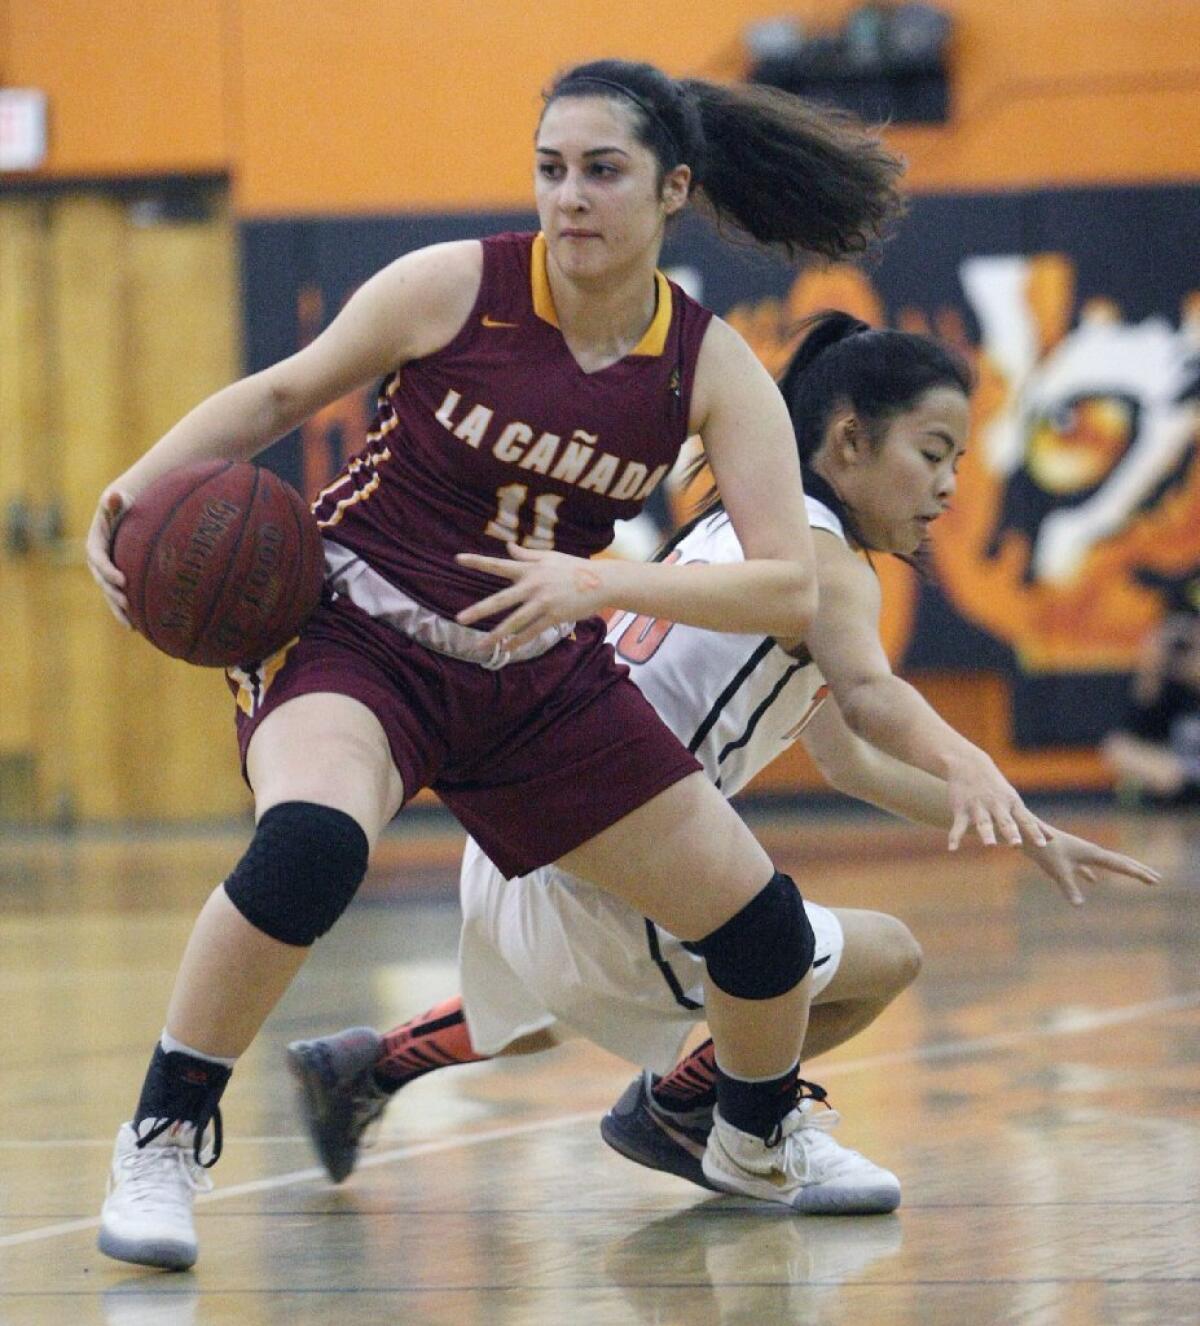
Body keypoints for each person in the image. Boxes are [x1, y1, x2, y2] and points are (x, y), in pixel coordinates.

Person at [84, 59, 1042, 1272]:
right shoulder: (455, 287)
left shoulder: (705, 364)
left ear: (670, 189)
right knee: (315, 844)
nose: (569, 197)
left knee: (758, 933)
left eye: (601, 171)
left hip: (535, 669)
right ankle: (165, 1133)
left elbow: (786, 584)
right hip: (357, 629)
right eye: (551, 169)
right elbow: (275, 394)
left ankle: (751, 1135)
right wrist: (129, 496)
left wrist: (599, 582)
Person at [286, 314, 1161, 1198]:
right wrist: (971, 761)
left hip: (522, 849)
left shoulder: (738, 533)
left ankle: (368, 1067)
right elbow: (869, 695)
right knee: (881, 956)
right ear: (850, 440)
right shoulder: (825, 566)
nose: (946, 487)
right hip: (606, 873)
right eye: (933, 454)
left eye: (958, 464)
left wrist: (1019, 825)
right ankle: (707, 1110)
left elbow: (849, 762)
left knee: (591, 996)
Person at [1102, 606, 1200, 806]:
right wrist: (1153, 665)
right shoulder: (1171, 688)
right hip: (1179, 769)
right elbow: (1132, 735)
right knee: (1119, 748)